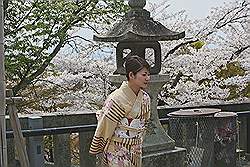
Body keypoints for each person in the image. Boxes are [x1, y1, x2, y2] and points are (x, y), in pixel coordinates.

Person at [89, 55, 151, 167]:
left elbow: (145, 122)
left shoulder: (145, 98)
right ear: (131, 75)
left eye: (148, 74)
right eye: (144, 75)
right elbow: (105, 124)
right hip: (117, 147)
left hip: (135, 147)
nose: (147, 78)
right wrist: (99, 145)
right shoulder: (116, 98)